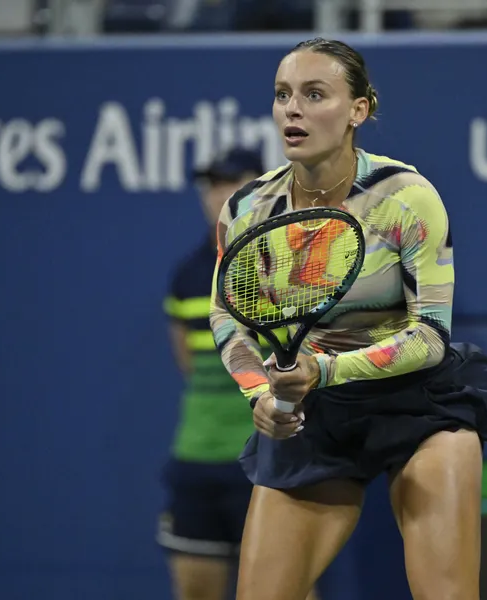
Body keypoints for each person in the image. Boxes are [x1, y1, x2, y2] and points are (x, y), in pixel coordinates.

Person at [209, 38, 487, 600]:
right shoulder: (248, 209)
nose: (293, 110)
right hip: (318, 415)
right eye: (283, 95)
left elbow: (430, 337)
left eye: (314, 94)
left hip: (418, 405)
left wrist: (324, 370)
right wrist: (259, 392)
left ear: (358, 110)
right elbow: (228, 317)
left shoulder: (406, 197)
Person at [157, 148, 320, 600]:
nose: (217, 194)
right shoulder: (187, 275)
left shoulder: (295, 268)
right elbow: (189, 364)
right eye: (210, 184)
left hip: (272, 463)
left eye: (230, 181)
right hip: (197, 461)